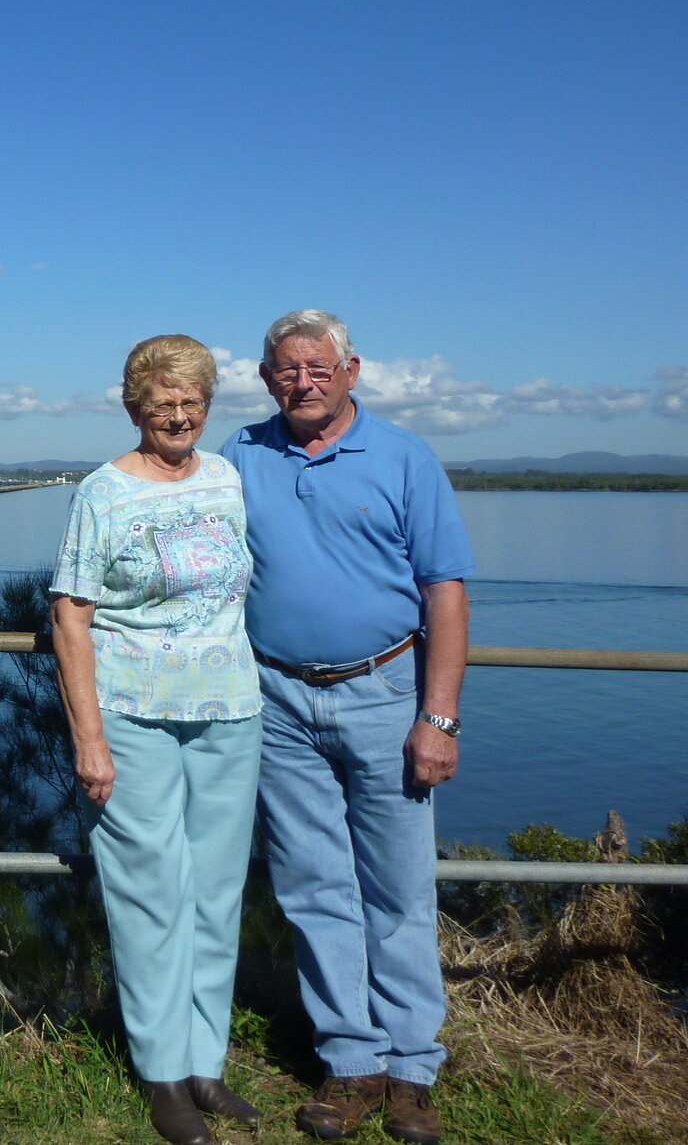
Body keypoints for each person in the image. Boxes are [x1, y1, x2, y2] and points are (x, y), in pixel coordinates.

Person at [220, 310, 473, 1145]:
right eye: (287, 369)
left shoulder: (404, 457)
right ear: (266, 379)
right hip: (279, 701)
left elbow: (445, 592)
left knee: (399, 891)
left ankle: (412, 1071)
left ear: (352, 369)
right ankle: (351, 1060)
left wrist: (437, 718)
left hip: (385, 694)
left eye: (318, 366)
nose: (304, 381)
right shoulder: (241, 458)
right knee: (312, 888)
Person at [50, 335, 262, 1145]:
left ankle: (208, 1064)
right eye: (162, 403)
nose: (179, 416)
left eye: (193, 401)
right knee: (150, 896)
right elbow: (71, 613)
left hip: (231, 708)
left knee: (214, 891)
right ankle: (163, 1075)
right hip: (133, 712)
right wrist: (89, 739)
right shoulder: (102, 492)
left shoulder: (227, 478)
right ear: (133, 406)